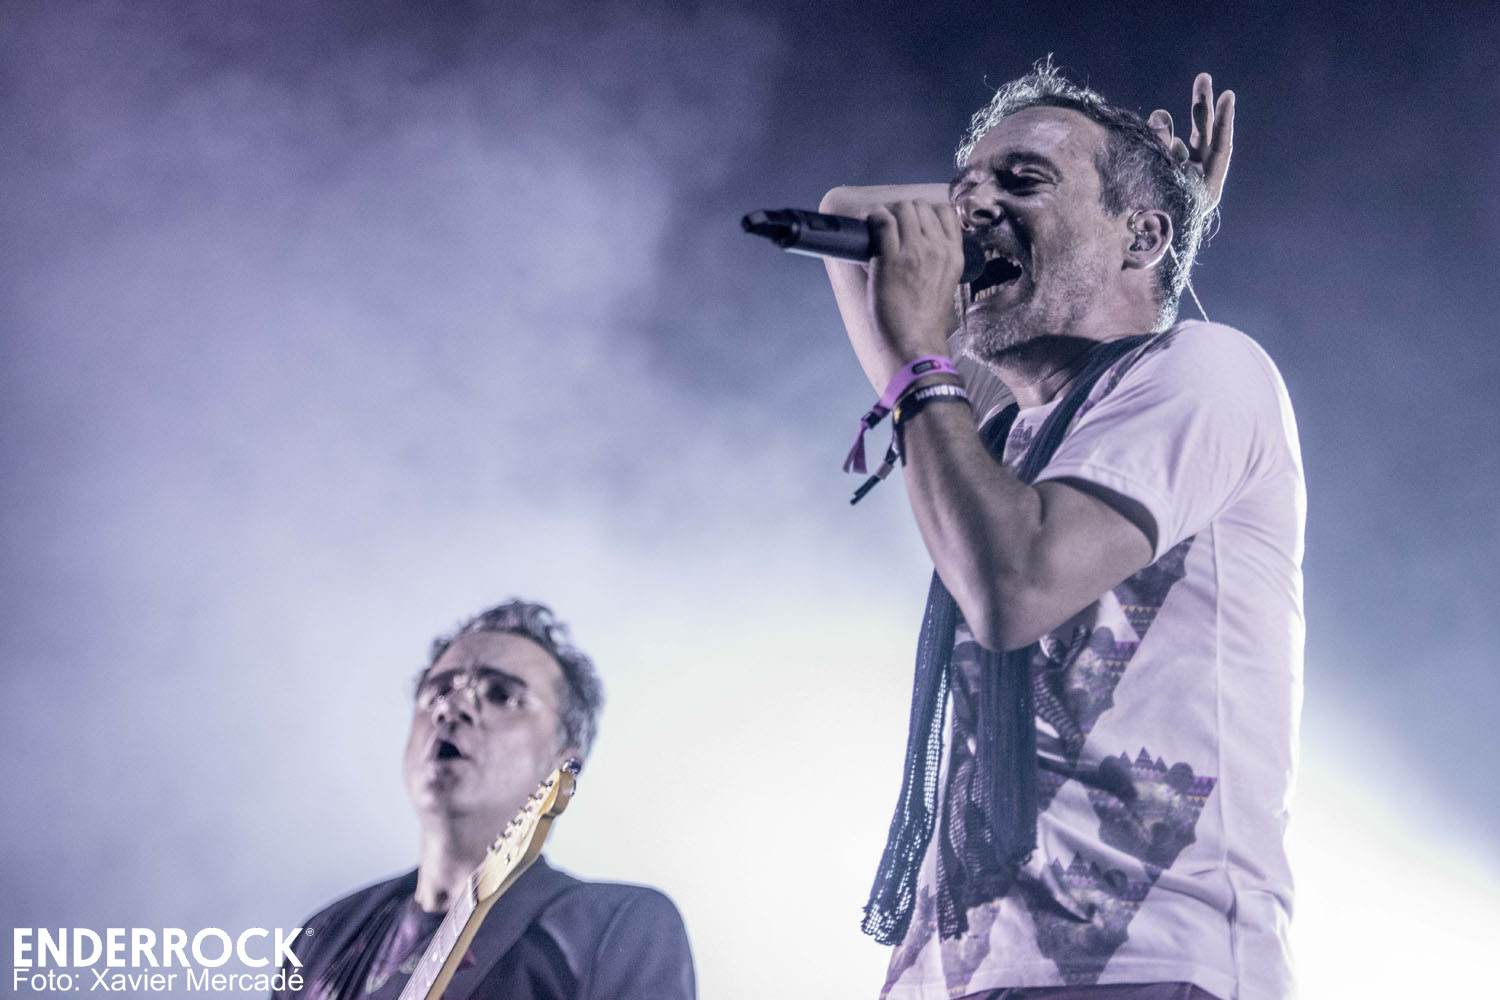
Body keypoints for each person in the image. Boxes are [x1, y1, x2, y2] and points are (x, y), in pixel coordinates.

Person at [820, 65, 1301, 1000]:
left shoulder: (1207, 368)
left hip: (1147, 966)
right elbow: (849, 219)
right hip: (957, 977)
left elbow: (1014, 584)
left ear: (1142, 238)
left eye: (1023, 181)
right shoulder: (997, 423)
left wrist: (924, 356)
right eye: (963, 192)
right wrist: (1028, 212)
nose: (972, 213)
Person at [274, 600, 695, 1000]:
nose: (452, 708)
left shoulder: (616, 925)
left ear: (563, 765)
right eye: (438, 692)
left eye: (501, 694)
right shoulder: (322, 938)